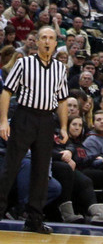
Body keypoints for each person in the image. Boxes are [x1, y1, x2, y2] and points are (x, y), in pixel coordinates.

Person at [0, 26, 68, 233]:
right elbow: (6, 92)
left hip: (47, 120)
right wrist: (3, 121)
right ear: (37, 41)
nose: (47, 41)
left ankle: (34, 219)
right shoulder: (23, 63)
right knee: (11, 166)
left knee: (41, 170)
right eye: (43, 37)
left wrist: (64, 127)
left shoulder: (60, 68)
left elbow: (62, 100)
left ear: (56, 43)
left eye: (51, 38)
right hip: (25, 116)